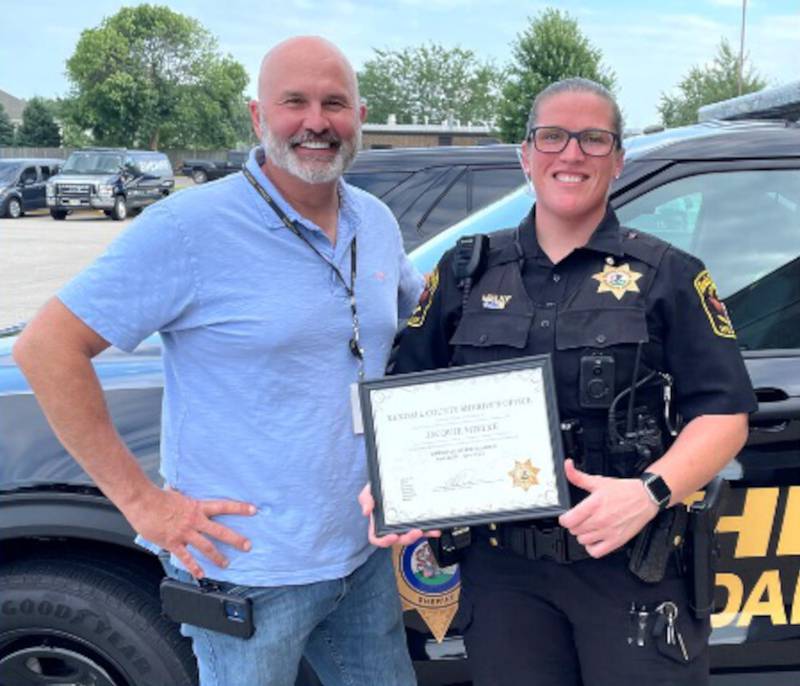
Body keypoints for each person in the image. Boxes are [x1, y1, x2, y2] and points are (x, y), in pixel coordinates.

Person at [13, 36, 423, 686]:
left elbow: (407, 334)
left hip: (364, 554)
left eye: (334, 103)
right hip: (246, 572)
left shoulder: (373, 220)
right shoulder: (189, 228)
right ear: (258, 117)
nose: (316, 121)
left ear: (359, 116)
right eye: (295, 102)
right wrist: (144, 504)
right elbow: (47, 349)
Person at [364, 78, 756, 686]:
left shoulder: (668, 274)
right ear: (526, 154)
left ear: (618, 159)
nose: (571, 154)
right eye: (552, 136)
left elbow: (725, 414)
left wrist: (649, 492)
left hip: (631, 567)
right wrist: (395, 487)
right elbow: (409, 390)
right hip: (502, 578)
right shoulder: (465, 274)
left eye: (593, 139)